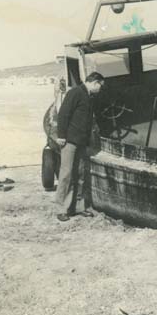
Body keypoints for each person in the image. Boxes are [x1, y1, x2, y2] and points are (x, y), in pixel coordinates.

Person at [55, 71, 105, 222]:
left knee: (81, 175)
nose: (100, 89)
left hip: (81, 142)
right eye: (100, 86)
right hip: (70, 141)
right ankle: (61, 209)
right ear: (95, 82)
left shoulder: (89, 96)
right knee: (66, 175)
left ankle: (79, 207)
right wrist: (61, 136)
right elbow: (63, 114)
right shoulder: (75, 93)